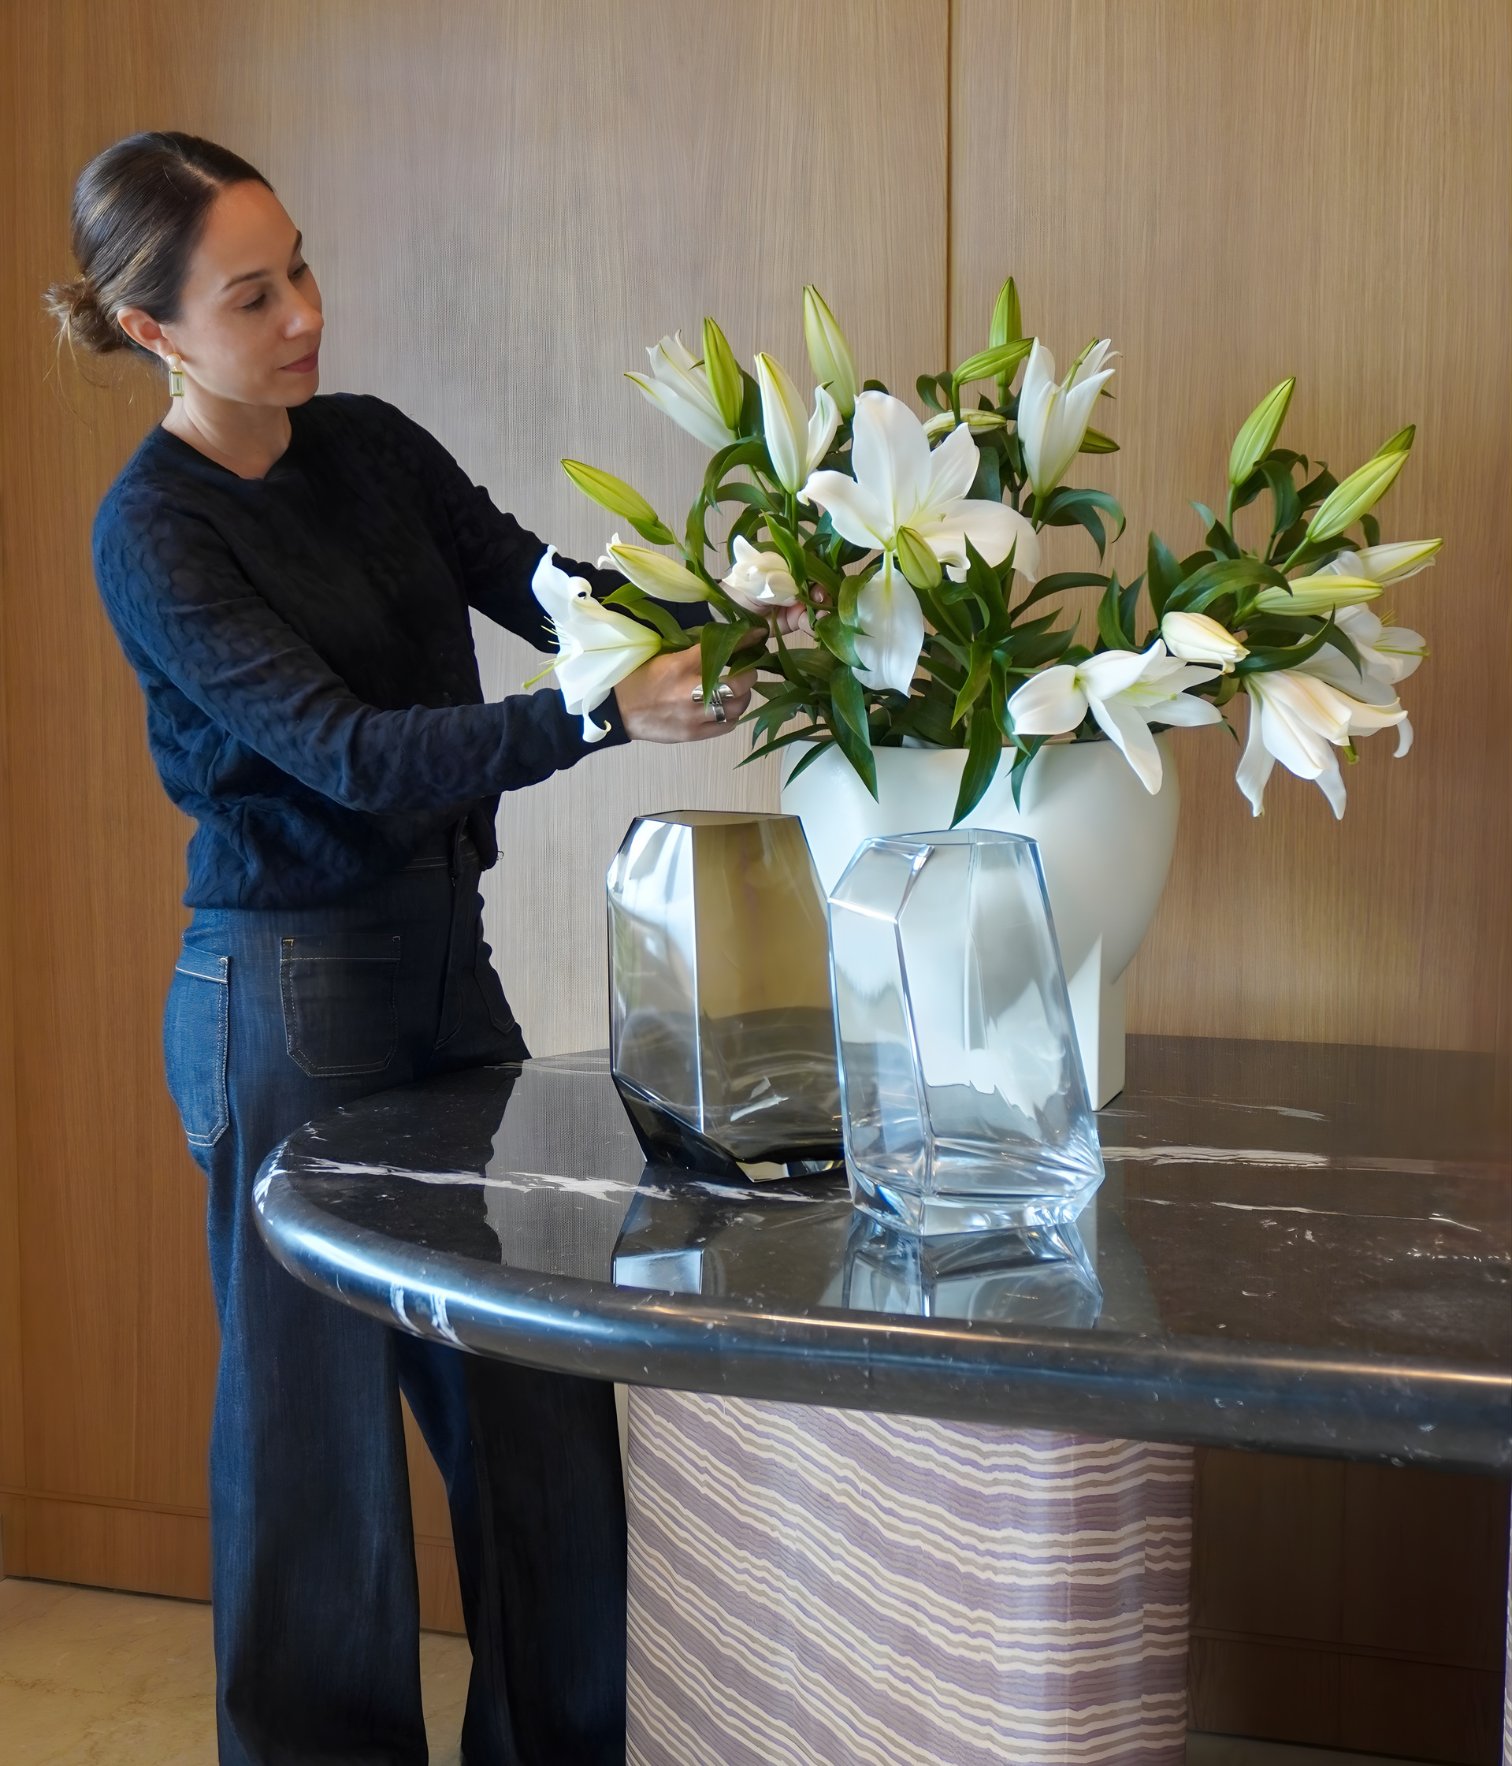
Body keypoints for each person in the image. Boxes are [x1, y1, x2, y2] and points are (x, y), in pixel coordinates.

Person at [45, 130, 758, 1766]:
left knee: (537, 1406)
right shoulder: (152, 534)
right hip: (281, 992)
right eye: (252, 292)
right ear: (153, 332)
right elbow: (352, 753)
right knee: (318, 1456)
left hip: (445, 969)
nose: (303, 310)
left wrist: (710, 618)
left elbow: (546, 585)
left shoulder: (365, 444)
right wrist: (594, 713)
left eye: (300, 263)